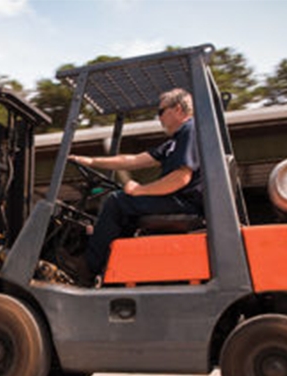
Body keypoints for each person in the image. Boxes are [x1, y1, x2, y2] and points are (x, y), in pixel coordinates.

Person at [67, 88, 203, 286]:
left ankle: (87, 267)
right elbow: (132, 160)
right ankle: (111, 269)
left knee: (117, 201)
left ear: (178, 109)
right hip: (181, 201)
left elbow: (180, 178)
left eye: (161, 112)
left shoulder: (189, 131)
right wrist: (90, 161)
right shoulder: (174, 142)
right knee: (125, 209)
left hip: (186, 203)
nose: (159, 118)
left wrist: (141, 190)